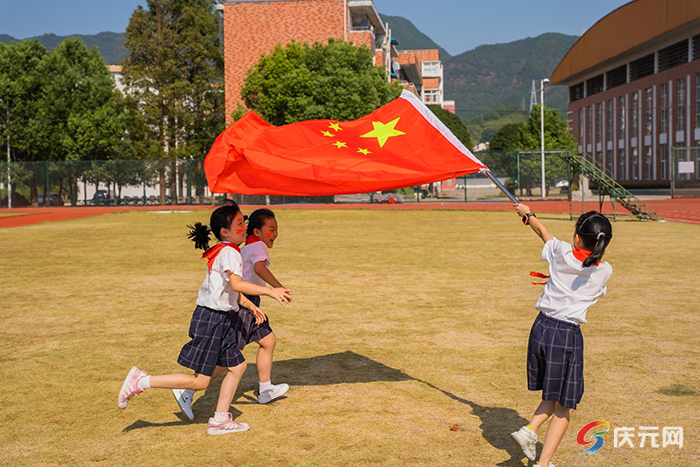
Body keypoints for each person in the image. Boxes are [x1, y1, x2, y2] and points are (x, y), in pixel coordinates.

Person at [118, 203, 293, 434]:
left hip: (218, 317)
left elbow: (228, 291)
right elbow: (236, 284)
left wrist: (250, 306)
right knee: (200, 381)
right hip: (212, 320)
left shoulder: (226, 249)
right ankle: (141, 381)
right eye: (239, 224)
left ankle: (220, 419)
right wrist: (272, 291)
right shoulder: (230, 251)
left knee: (238, 365)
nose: (244, 227)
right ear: (225, 231)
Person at [509, 205, 613, 467]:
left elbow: (542, 231)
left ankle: (530, 431)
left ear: (577, 237)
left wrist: (527, 214)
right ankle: (540, 459)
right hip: (566, 335)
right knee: (565, 405)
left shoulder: (561, 251)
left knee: (553, 396)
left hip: (541, 328)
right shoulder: (604, 271)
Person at [173, 208, 291, 418]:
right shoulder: (256, 247)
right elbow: (258, 270)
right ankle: (189, 389)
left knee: (268, 341)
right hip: (241, 302)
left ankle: (264, 389)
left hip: (246, 301)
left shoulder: (243, 247)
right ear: (258, 231)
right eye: (271, 229)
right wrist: (276, 289)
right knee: (232, 359)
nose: (275, 233)